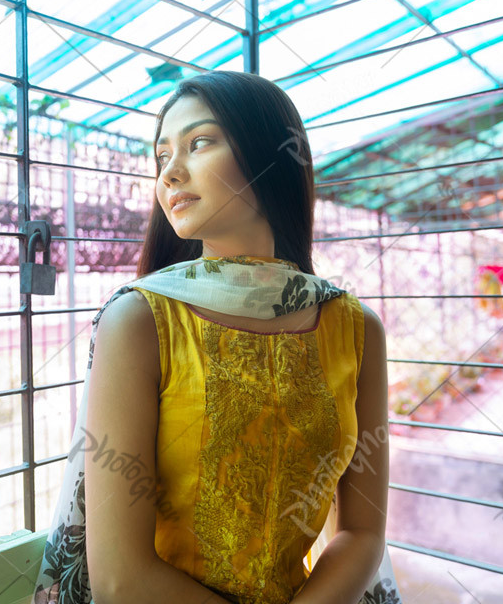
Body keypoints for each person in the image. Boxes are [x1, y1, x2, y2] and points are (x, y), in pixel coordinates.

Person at [33, 71, 399, 603]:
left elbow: (362, 532)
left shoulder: (356, 330)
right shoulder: (140, 321)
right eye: (162, 159)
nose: (170, 174)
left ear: (271, 155)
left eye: (198, 143)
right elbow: (120, 578)